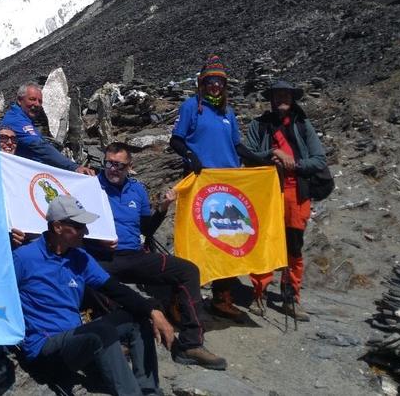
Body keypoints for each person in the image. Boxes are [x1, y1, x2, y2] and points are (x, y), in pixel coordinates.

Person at [13, 195, 175, 396]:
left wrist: (153, 311)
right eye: (79, 226)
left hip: (77, 340)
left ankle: (149, 390)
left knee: (137, 316)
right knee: (101, 331)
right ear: (57, 227)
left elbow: (114, 289)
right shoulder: (24, 257)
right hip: (45, 349)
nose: (86, 231)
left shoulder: (79, 257)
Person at [89, 143, 227, 370]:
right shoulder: (91, 187)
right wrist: (96, 240)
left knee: (188, 270)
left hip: (134, 255)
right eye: (109, 163)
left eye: (119, 165)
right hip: (102, 256)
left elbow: (146, 229)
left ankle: (192, 344)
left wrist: (162, 209)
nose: (113, 169)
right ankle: (121, 336)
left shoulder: (138, 190)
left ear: (129, 167)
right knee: (90, 275)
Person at [168, 55, 261, 321]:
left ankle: (222, 297)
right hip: (201, 183)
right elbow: (176, 140)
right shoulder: (190, 107)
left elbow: (237, 147)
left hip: (227, 184)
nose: (215, 86)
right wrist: (190, 156)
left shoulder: (227, 113)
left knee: (228, 239)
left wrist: (262, 161)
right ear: (202, 83)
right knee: (196, 241)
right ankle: (179, 298)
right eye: (210, 81)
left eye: (219, 82)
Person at [245, 80, 327, 321]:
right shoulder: (259, 125)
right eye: (278, 95)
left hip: (296, 192)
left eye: (286, 95)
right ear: (271, 98)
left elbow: (319, 159)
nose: (282, 99)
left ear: (293, 99)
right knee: (264, 241)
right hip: (267, 191)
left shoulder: (303, 125)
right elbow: (248, 154)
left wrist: (296, 164)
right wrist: (272, 154)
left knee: (293, 245)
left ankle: (291, 296)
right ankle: (259, 293)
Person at [1, 82, 95, 175]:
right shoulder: (15, 120)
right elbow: (39, 146)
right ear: (19, 100)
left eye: (40, 101)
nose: (37, 104)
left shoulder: (23, 118)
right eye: (32, 99)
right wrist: (74, 167)